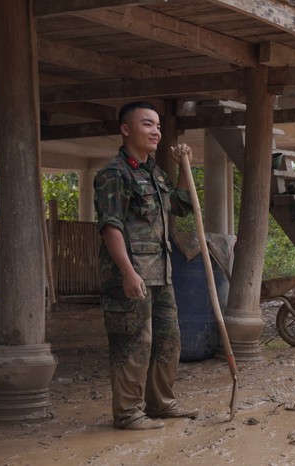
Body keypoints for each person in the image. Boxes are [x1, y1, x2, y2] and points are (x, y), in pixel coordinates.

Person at [93, 101, 199, 430]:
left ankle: (160, 403)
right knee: (133, 344)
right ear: (126, 129)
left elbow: (181, 206)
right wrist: (127, 272)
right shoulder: (114, 174)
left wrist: (184, 166)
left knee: (167, 340)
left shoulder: (153, 173)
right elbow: (111, 226)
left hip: (160, 272)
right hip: (131, 274)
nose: (156, 131)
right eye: (147, 125)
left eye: (158, 126)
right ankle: (127, 413)